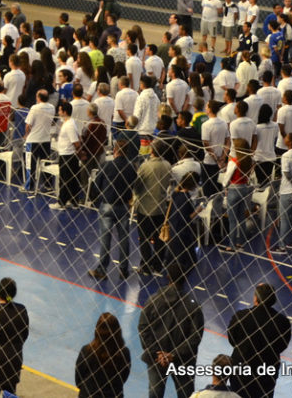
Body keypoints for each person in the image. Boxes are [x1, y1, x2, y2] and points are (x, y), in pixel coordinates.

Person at [138, 263, 204, 398]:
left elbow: (143, 328)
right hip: (183, 361)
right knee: (186, 394)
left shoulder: (153, 300)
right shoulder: (193, 307)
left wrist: (157, 353)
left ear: (168, 277)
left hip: (157, 359)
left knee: (155, 394)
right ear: (185, 278)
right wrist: (173, 355)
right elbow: (195, 337)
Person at [227, 283, 291, 398]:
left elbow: (232, 339)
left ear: (256, 298)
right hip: (267, 372)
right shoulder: (282, 322)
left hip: (241, 369)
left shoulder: (241, 316)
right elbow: (282, 345)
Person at [88, 139, 135, 280]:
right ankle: (123, 270)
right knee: (124, 239)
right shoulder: (131, 168)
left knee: (105, 240)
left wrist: (95, 197)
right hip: (123, 206)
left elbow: (96, 186)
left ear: (115, 151)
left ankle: (102, 270)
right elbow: (133, 185)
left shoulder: (107, 166)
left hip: (107, 205)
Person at [133, 140, 174, 275]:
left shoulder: (146, 166)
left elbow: (137, 185)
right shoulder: (168, 165)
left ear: (152, 150)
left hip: (145, 207)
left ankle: (145, 266)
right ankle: (157, 266)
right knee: (159, 238)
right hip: (161, 207)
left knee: (144, 238)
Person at [75, 312, 131, 398]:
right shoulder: (124, 353)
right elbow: (124, 377)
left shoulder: (86, 350)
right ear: (118, 331)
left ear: (97, 330)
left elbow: (78, 377)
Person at [221, 138, 255, 253]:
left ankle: (231, 245)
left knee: (232, 219)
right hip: (244, 188)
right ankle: (241, 242)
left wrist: (225, 186)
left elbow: (227, 178)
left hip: (234, 189)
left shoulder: (234, 162)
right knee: (241, 217)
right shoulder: (249, 160)